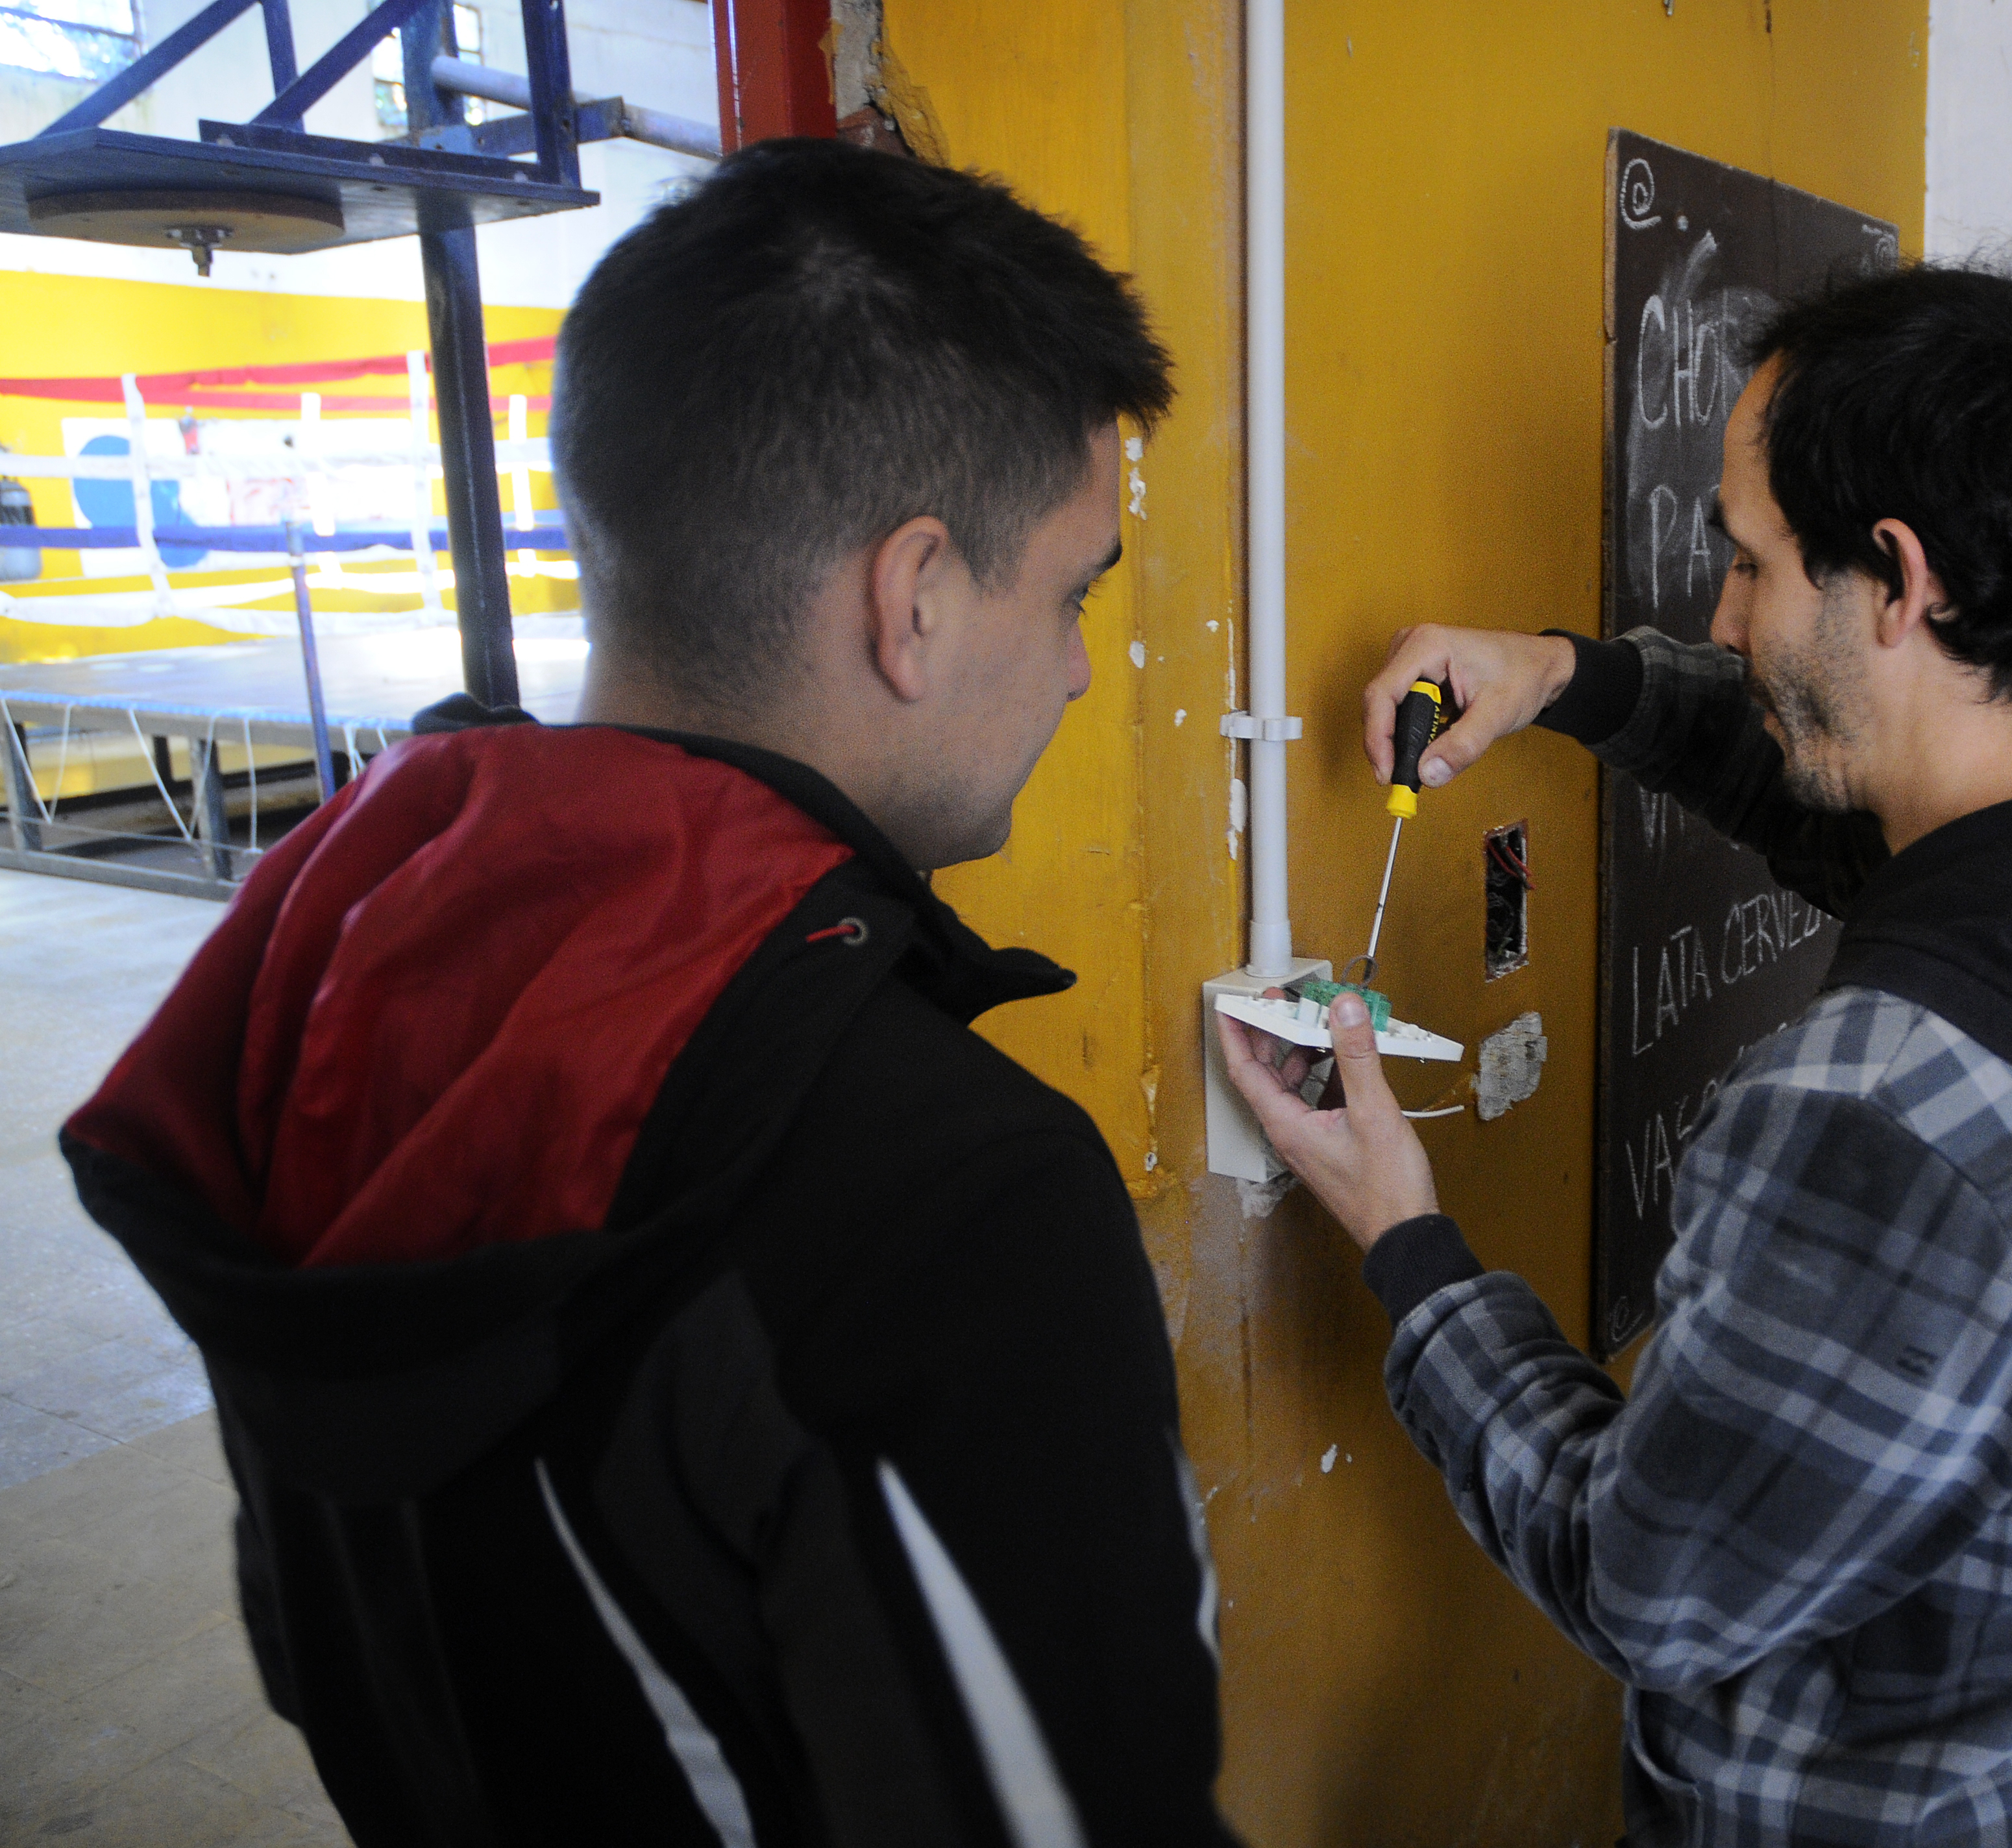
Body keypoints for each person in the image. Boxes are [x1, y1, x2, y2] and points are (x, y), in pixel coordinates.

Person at [64, 140, 1237, 1847]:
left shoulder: (321, 988)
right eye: (1071, 592)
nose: (1072, 666)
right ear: (912, 601)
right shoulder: (952, 1199)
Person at [1219, 264, 2012, 1847]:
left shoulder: (1885, 1119)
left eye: (1750, 563)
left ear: (1898, 581)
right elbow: (1872, 826)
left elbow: (1645, 1580)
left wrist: (1407, 1245)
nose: (1721, 612)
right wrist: (1575, 678)